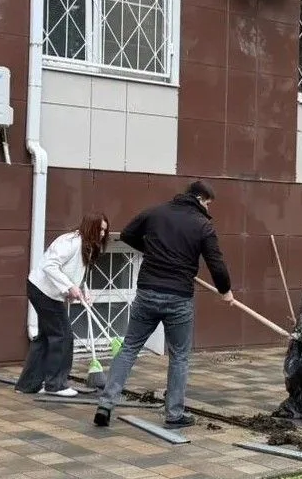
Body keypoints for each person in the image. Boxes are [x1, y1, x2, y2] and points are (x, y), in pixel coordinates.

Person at [93, 181, 233, 429]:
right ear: (200, 199)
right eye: (208, 203)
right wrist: (225, 291)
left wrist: (152, 251)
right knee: (179, 356)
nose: (208, 209)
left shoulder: (155, 212)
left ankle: (105, 404)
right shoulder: (203, 225)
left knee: (129, 348)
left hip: (147, 291)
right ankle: (174, 414)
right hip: (179, 297)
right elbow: (216, 263)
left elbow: (127, 235)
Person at [15, 212, 109, 397]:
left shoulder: (87, 245)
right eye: (100, 230)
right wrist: (69, 287)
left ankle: (28, 385)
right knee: (63, 336)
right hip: (43, 291)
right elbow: (49, 265)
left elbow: (76, 273)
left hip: (45, 291)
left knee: (45, 337)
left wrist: (83, 290)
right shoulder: (70, 242)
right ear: (90, 227)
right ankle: (56, 385)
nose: (103, 234)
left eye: (105, 230)